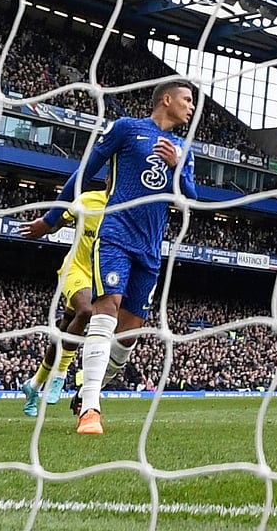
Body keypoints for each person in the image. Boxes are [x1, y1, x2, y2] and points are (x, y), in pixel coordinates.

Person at [21, 80, 196, 435]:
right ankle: (90, 411)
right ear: (167, 99)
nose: (191, 107)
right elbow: (84, 172)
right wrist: (52, 219)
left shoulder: (183, 149)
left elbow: (191, 200)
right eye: (187, 99)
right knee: (104, 312)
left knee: (128, 334)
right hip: (115, 235)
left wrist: (177, 167)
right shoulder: (127, 129)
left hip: (150, 247)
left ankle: (90, 387)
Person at [17, 174, 110, 417]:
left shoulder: (125, 210)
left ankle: (35, 384)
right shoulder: (88, 200)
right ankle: (59, 376)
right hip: (75, 269)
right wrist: (44, 226)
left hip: (97, 277)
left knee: (65, 328)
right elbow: (59, 220)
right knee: (86, 312)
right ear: (110, 180)